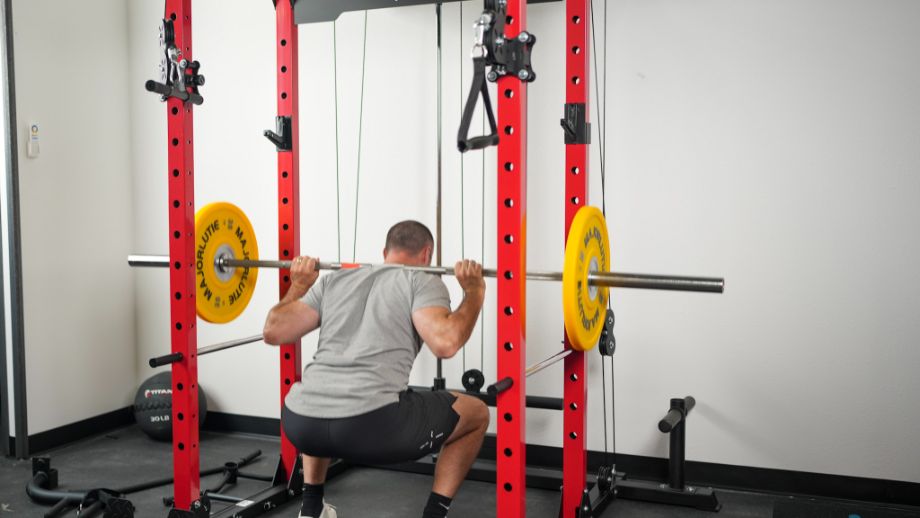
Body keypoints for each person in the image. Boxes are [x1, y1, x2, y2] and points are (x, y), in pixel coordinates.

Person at [263, 220, 488, 518]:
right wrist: (474, 292)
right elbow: (446, 343)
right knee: (477, 412)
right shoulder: (421, 279)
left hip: (299, 422)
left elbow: (273, 331)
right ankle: (435, 514)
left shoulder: (336, 280)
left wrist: (300, 284)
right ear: (427, 254)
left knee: (326, 388)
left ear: (385, 251)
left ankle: (311, 507)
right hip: (373, 427)